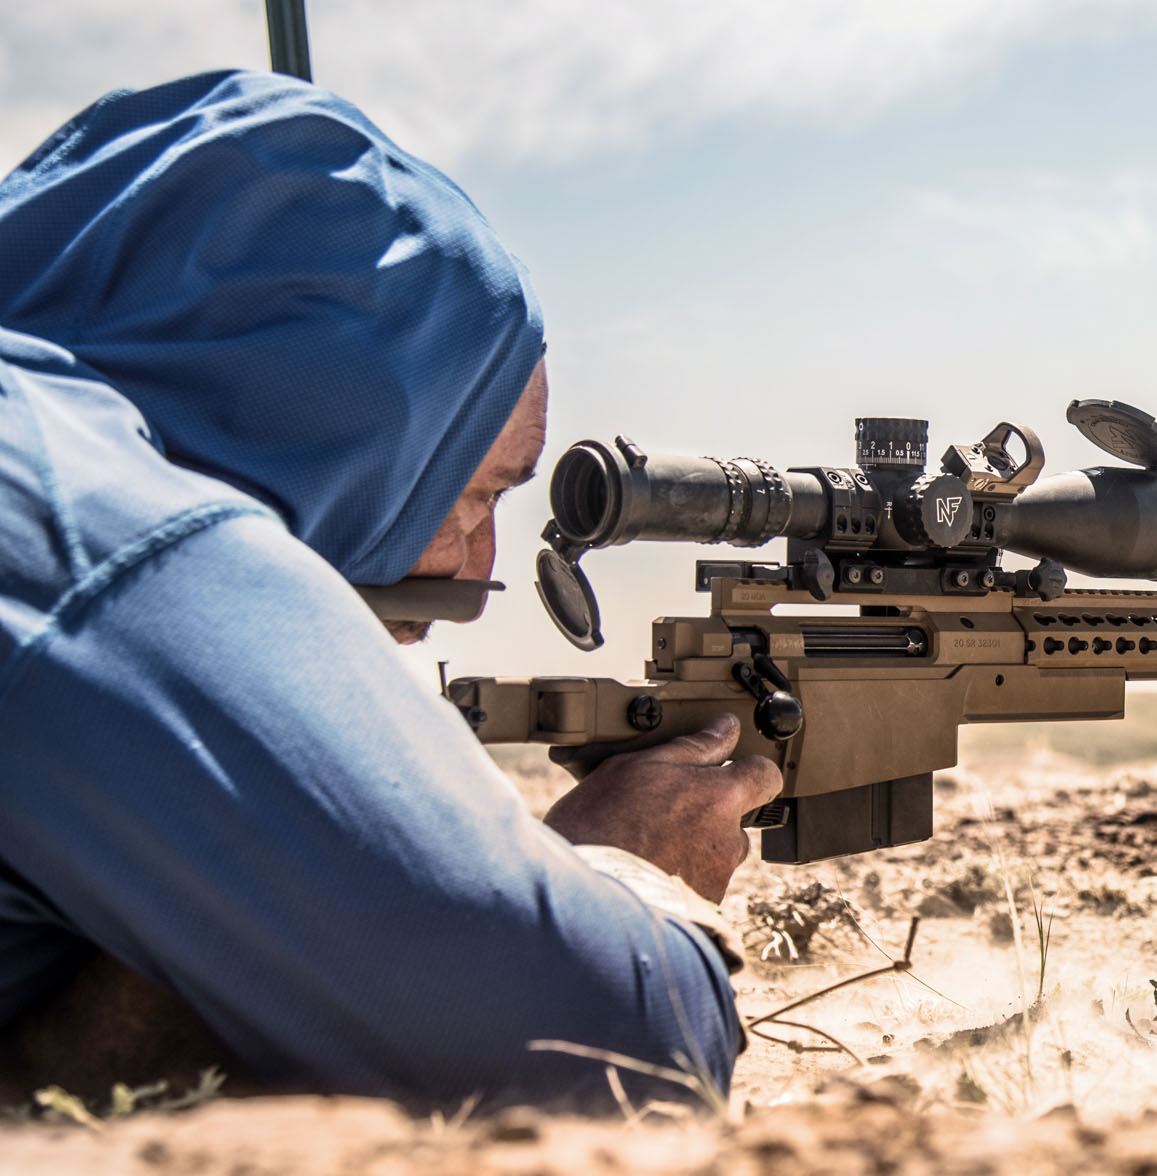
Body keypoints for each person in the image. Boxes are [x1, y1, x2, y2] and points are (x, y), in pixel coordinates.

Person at [0, 70, 781, 1108]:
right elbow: (598, 1043)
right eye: (464, 494)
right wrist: (630, 874)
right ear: (321, 424)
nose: (476, 567)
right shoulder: (100, 523)